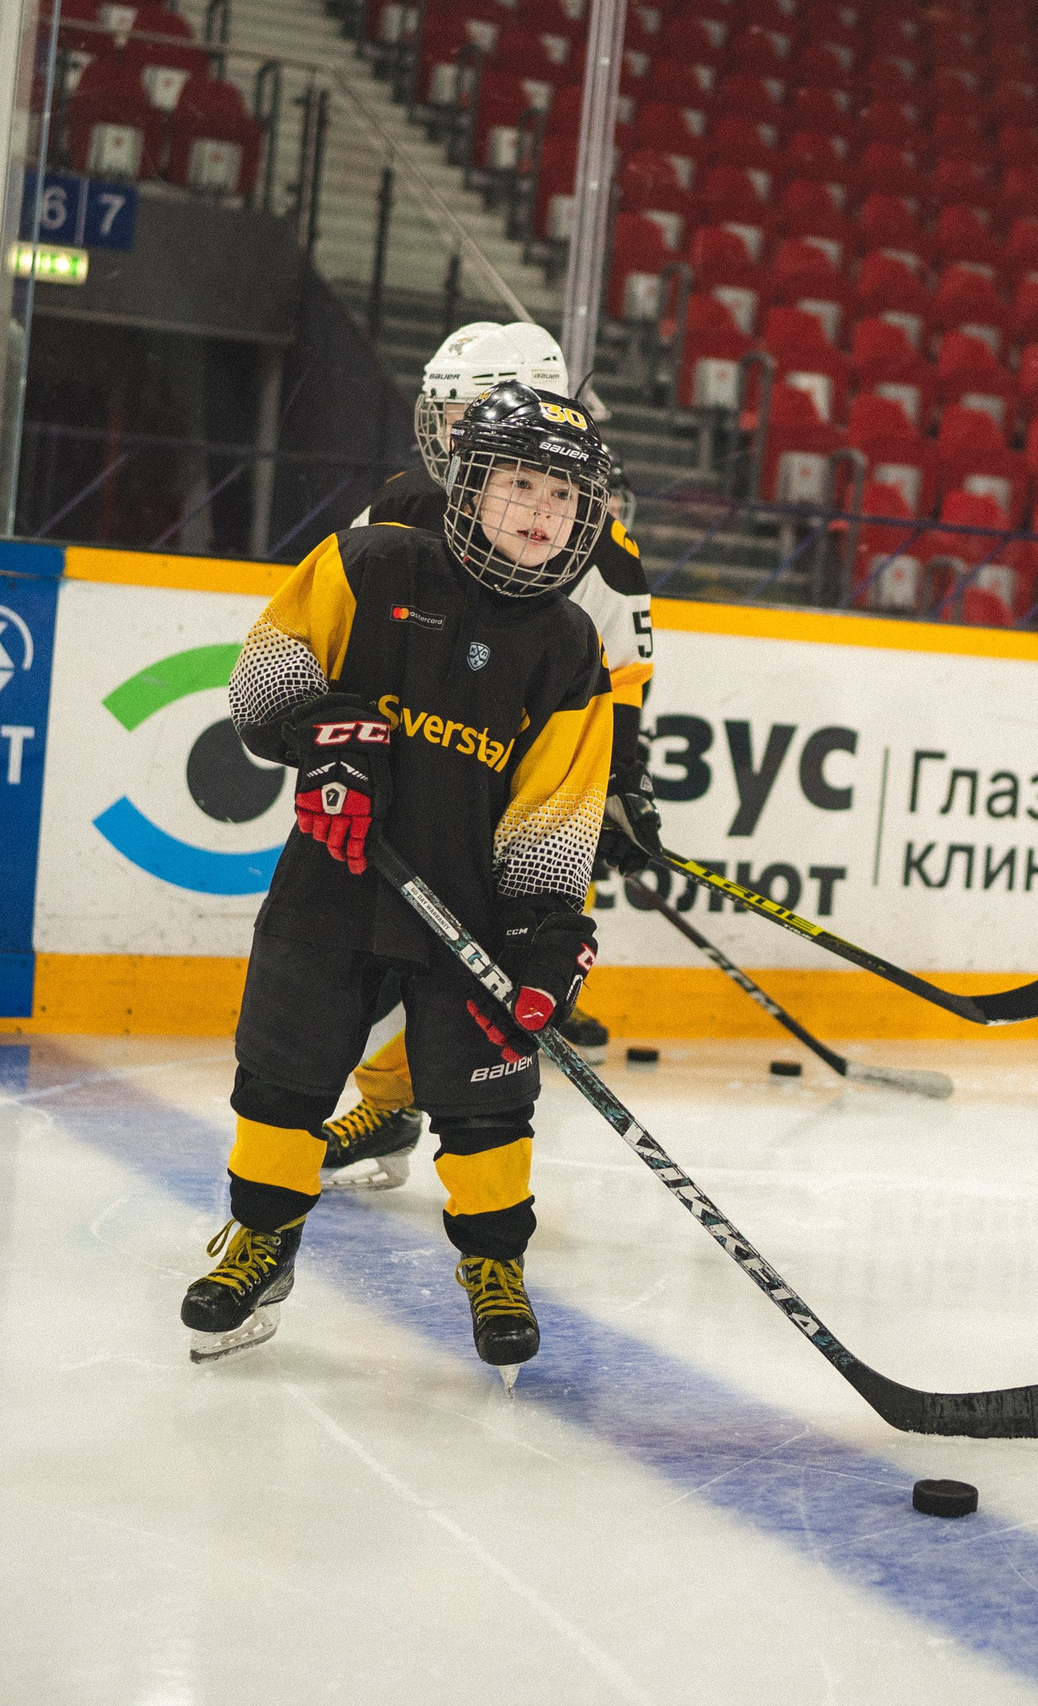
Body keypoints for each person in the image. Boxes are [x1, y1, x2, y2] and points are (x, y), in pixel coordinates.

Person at [179, 383, 620, 1373]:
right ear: (469, 486)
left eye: (563, 496)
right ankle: (260, 1238)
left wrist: (547, 933)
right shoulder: (367, 562)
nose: (543, 513)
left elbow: (555, 812)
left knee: (486, 1100)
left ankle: (496, 1262)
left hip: (467, 912)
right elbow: (263, 680)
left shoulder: (567, 646)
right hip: (329, 886)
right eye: (520, 484)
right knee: (283, 1079)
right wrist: (319, 740)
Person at [317, 323, 663, 1192]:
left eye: (470, 409)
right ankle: (372, 1106)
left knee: (491, 960)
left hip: (519, 790)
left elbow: (617, 684)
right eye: (450, 410)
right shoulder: (398, 506)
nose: (449, 428)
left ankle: (449, 1141)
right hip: (409, 764)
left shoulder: (594, 543)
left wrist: (618, 787)